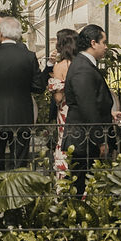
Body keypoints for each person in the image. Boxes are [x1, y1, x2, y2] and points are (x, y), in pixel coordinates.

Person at [0, 15, 44, 173]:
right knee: (20, 164)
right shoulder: (29, 56)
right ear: (18, 34)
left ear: (1, 33)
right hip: (22, 117)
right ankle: (18, 196)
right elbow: (38, 87)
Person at [63, 24, 121, 194]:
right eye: (103, 42)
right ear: (93, 43)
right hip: (85, 139)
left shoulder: (84, 65)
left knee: (84, 185)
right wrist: (100, 140)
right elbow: (87, 106)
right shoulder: (83, 68)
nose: (106, 47)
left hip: (85, 137)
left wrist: (109, 113)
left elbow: (90, 102)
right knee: (80, 186)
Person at [47, 28, 78, 176]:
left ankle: (63, 178)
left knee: (64, 142)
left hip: (65, 110)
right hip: (79, 110)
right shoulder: (80, 64)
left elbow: (58, 98)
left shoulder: (60, 66)